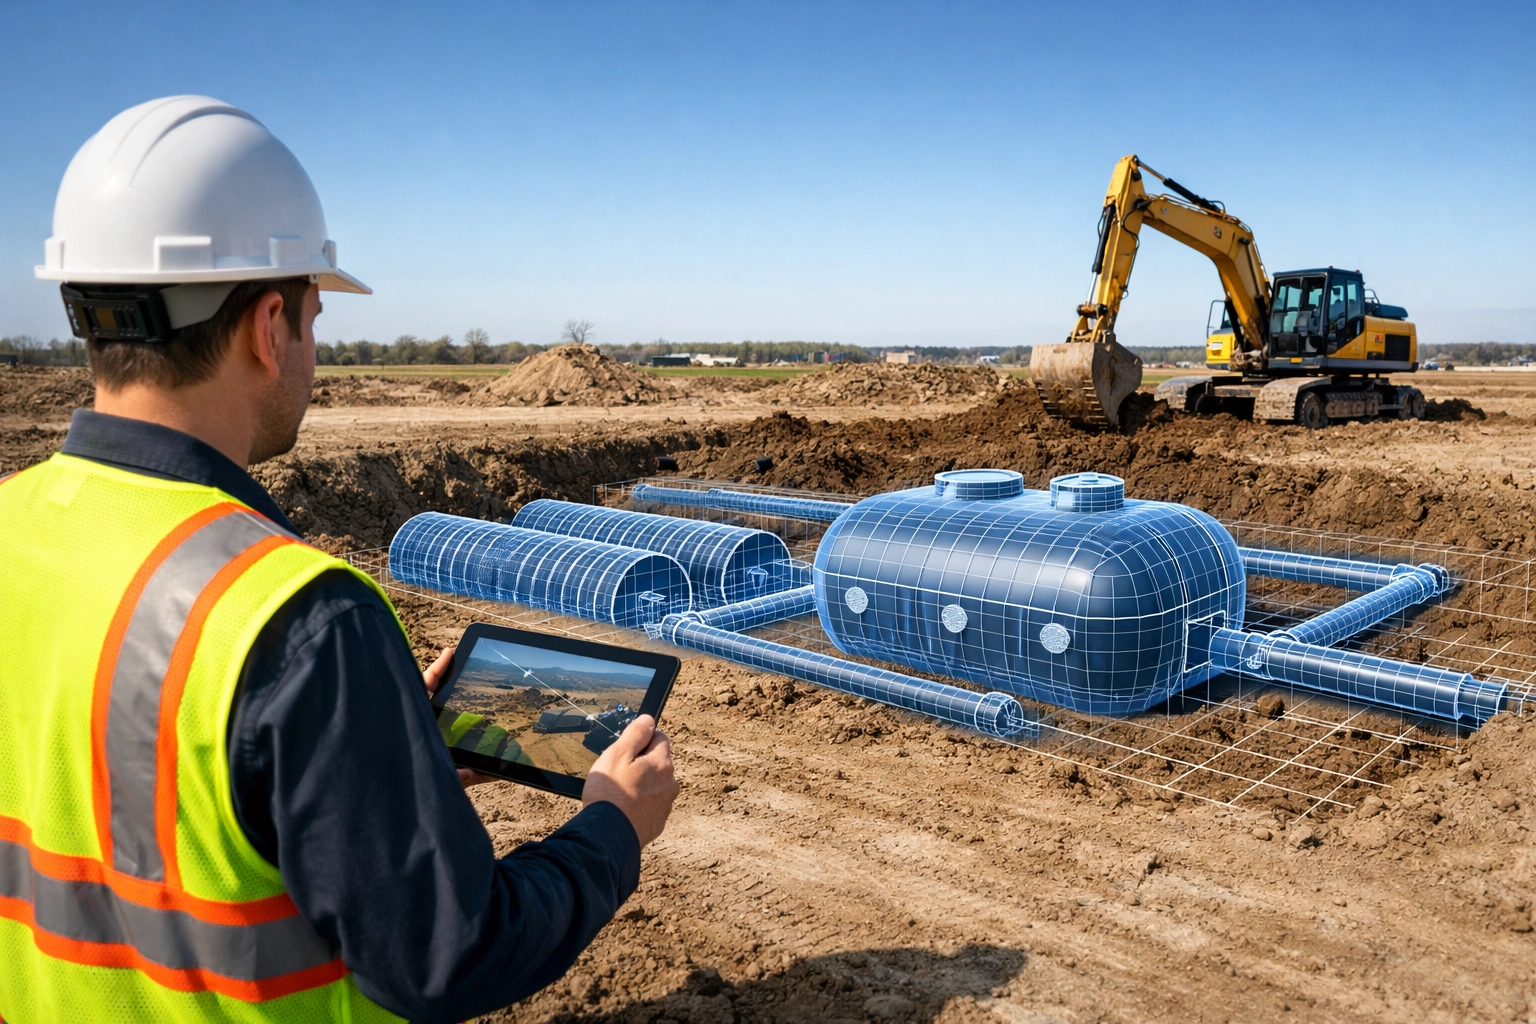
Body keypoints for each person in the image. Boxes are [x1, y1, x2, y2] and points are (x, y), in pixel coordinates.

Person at [0, 95, 678, 1023]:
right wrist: (612, 827)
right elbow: (451, 955)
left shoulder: (15, 520)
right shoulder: (295, 615)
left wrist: (376, 754)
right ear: (267, 325)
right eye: (315, 318)